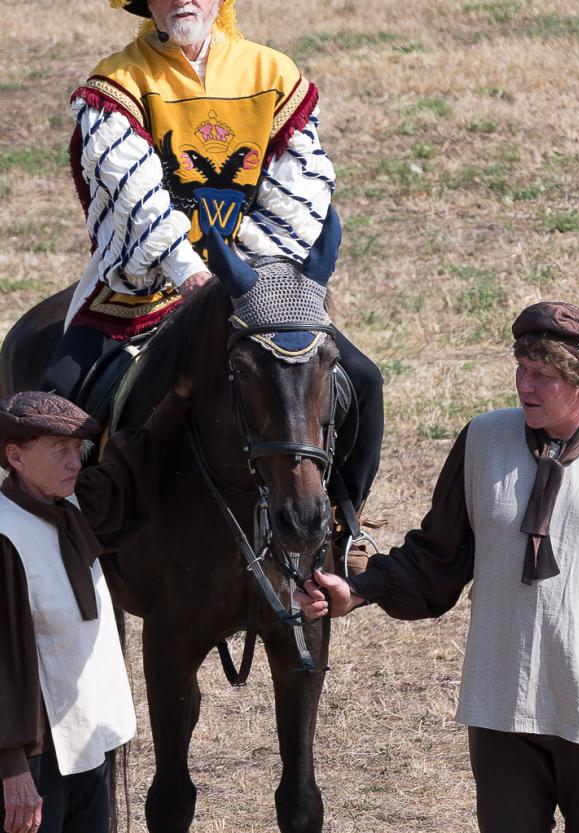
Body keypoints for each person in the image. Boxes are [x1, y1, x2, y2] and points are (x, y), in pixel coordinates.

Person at [297, 302, 579, 833]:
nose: (525, 385)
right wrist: (358, 590)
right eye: (521, 369)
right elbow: (437, 557)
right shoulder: (484, 440)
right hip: (501, 703)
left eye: (544, 375)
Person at [42, 0, 383, 566]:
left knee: (364, 382)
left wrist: (256, 272)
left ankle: (343, 529)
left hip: (255, 280)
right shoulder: (116, 83)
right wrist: (188, 270)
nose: (184, 1)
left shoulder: (273, 73)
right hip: (144, 289)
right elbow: (135, 197)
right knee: (54, 406)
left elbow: (300, 190)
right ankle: (57, 540)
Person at [0, 384, 189, 833]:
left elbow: (129, 471)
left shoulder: (70, 502)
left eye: (77, 448)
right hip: (35, 754)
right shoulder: (1, 541)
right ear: (16, 457)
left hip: (82, 737)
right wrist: (14, 772)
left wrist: (178, 395)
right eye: (59, 449)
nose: (75, 462)